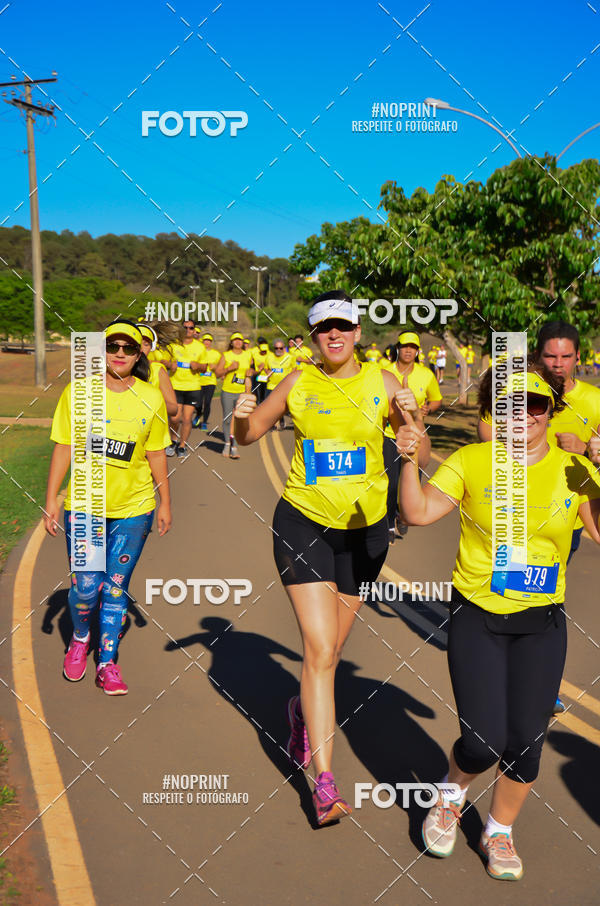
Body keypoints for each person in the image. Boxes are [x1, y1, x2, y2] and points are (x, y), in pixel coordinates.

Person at [232, 290, 429, 826]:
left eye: (342, 326)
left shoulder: (386, 384)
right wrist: (240, 418)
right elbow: (249, 437)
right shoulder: (299, 382)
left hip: (366, 535)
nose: (333, 336)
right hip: (304, 523)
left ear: (358, 332)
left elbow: (416, 447)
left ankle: (300, 710)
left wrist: (415, 439)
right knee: (319, 651)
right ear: (314, 336)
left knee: (334, 650)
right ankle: (323, 781)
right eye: (323, 329)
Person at [400, 365, 600, 880]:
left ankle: (498, 831)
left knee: (527, 742)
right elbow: (418, 512)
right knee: (484, 739)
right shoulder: (471, 460)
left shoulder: (573, 469)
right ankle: (450, 794)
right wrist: (406, 461)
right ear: (495, 411)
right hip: (478, 616)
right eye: (512, 403)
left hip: (542, 623)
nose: (525, 413)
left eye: (536, 403)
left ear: (550, 411)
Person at [44, 320, 172, 695]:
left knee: (115, 590)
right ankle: (81, 638)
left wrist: (166, 501)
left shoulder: (150, 397)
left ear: (138, 354)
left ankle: (108, 662)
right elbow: (64, 446)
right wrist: (52, 498)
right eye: (112, 346)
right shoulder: (78, 392)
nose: (119, 353)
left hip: (134, 508)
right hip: (85, 505)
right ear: (100, 351)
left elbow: (155, 453)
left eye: (127, 348)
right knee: (85, 588)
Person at [478, 322, 600, 713]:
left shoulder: (595, 401)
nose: (559, 364)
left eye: (566, 357)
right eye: (551, 356)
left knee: (545, 590)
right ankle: (504, 665)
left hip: (569, 518)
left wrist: (585, 449)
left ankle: (538, 680)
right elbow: (486, 433)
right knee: (511, 585)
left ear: (578, 358)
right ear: (538, 358)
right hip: (511, 507)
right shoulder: (517, 393)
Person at [380, 332, 442, 540]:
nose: (408, 350)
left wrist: (426, 409)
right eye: (405, 346)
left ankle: (401, 515)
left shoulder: (426, 375)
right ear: (397, 348)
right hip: (389, 434)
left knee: (410, 482)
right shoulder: (384, 372)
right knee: (390, 482)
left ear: (417, 351)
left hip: (415, 435)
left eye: (413, 347)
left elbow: (436, 400)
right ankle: (388, 524)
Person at [167, 320, 208, 458]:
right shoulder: (173, 345)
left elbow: (205, 367)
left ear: (194, 330)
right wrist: (170, 364)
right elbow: (164, 361)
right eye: (185, 328)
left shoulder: (200, 347)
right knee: (175, 418)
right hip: (175, 386)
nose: (188, 330)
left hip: (193, 387)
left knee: (186, 419)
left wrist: (198, 366)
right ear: (181, 329)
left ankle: (182, 446)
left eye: (191, 328)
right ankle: (173, 440)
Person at [220, 331, 253, 459]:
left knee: (239, 419)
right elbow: (218, 372)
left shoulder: (248, 355)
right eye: (235, 340)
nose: (238, 342)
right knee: (228, 419)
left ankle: (234, 446)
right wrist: (229, 369)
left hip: (242, 392)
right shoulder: (226, 355)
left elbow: (251, 372)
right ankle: (227, 444)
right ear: (231, 342)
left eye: (240, 340)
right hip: (228, 391)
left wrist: (251, 373)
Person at [137, 323, 178, 418]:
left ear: (152, 348)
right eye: (138, 343)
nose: (142, 348)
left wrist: (151, 402)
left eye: (146, 344)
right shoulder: (118, 367)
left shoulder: (157, 370)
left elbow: (173, 408)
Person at [194, 332, 224, 430]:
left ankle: (204, 423)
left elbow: (221, 367)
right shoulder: (198, 352)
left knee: (207, 402)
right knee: (197, 403)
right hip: (198, 381)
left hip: (211, 382)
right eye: (205, 340)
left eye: (209, 340)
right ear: (202, 341)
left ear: (211, 342)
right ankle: (198, 414)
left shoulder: (216, 354)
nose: (207, 342)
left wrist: (215, 367)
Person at [264, 339, 296, 429]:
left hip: (284, 386)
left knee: (281, 406)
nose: (278, 350)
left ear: (284, 348)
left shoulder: (290, 357)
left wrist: (290, 379)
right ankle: (272, 423)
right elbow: (266, 368)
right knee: (270, 406)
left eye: (281, 348)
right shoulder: (269, 357)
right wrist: (268, 372)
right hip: (271, 385)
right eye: (276, 348)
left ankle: (281, 419)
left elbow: (294, 368)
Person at [251, 337, 270, 405]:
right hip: (258, 376)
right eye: (262, 350)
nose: (264, 352)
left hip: (267, 377)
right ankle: (259, 405)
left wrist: (264, 367)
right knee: (258, 394)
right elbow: (251, 363)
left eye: (265, 350)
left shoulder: (270, 355)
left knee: (266, 394)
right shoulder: (256, 355)